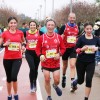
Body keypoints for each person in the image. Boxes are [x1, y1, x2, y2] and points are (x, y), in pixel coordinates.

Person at [36, 19, 65, 100]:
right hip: (45, 62)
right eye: (49, 25)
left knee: (56, 80)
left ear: (54, 26)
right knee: (47, 79)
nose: (50, 26)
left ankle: (55, 86)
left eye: (52, 25)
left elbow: (63, 48)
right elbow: (37, 49)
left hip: (55, 62)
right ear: (46, 26)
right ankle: (49, 96)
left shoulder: (58, 37)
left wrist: (59, 54)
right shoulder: (41, 38)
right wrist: (40, 55)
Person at [0, 16, 25, 100]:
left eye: (14, 23)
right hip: (7, 59)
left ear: (17, 23)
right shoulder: (4, 33)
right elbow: (0, 44)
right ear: (8, 24)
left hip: (17, 58)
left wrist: (23, 46)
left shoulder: (20, 33)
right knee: (9, 78)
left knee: (14, 77)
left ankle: (16, 93)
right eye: (11, 23)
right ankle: (9, 95)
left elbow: (23, 41)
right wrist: (4, 44)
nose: (13, 24)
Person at [74, 22, 100, 100]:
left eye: (90, 29)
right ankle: (76, 81)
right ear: (84, 29)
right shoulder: (81, 38)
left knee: (89, 79)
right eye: (87, 29)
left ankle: (86, 98)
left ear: (92, 29)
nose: (89, 30)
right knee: (80, 81)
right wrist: (82, 49)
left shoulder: (96, 39)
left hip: (91, 62)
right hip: (81, 62)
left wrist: (97, 48)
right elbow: (75, 50)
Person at [59, 12, 79, 91]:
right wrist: (61, 38)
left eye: (73, 18)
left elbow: (78, 37)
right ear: (68, 18)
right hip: (65, 49)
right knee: (65, 66)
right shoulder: (64, 27)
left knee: (72, 65)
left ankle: (72, 83)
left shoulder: (77, 27)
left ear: (75, 18)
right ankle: (64, 76)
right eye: (71, 18)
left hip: (73, 49)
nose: (72, 19)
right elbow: (58, 37)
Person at [25, 21, 41, 93]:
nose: (32, 26)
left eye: (34, 25)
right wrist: (22, 45)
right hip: (29, 53)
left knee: (36, 69)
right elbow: (19, 38)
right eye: (31, 25)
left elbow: (47, 37)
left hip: (37, 53)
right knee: (32, 68)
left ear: (36, 26)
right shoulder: (26, 33)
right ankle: (31, 84)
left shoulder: (40, 33)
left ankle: (34, 82)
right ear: (29, 26)